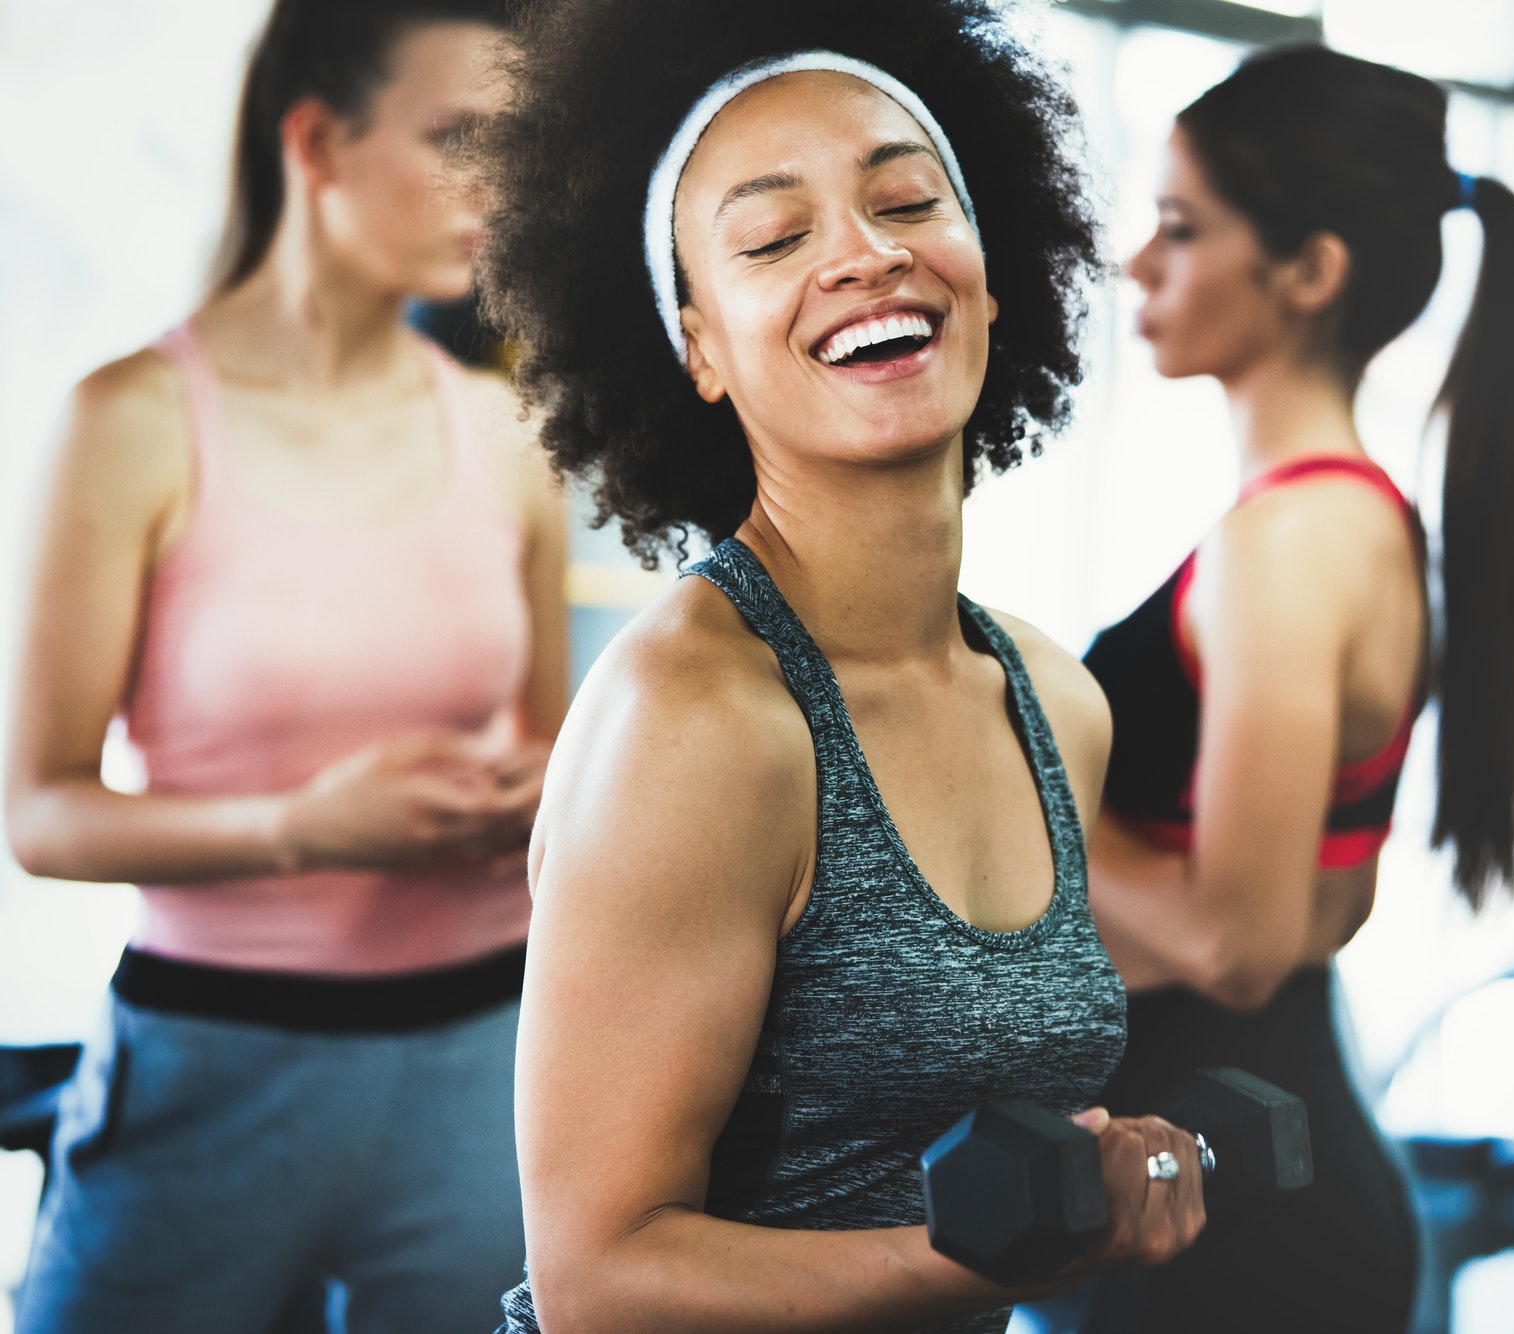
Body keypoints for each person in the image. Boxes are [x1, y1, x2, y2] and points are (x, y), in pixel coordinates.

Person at [473, 2, 1207, 1331]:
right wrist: (986, 1255)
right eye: (772, 236)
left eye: (910, 200)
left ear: (990, 268)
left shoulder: (1056, 703)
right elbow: (598, 1277)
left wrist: (1101, 1169)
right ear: (697, 344)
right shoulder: (695, 717)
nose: (865, 256)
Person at [3, 0, 569, 1328]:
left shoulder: (509, 433)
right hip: (212, 1062)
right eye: (456, 139)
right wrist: (304, 828)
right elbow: (39, 812)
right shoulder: (131, 421)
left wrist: (543, 792)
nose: (499, 187)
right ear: (316, 142)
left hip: (491, 1059)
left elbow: (553, 763)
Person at [1078, 44, 1514, 1332]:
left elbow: (1236, 948)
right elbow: (1314, 909)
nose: (1140, 262)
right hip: (1232, 1174)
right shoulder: (1351, 524)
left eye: (1182, 229)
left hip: (1235, 1226)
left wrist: (1004, 803)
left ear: (1309, 270)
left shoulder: (1290, 549)